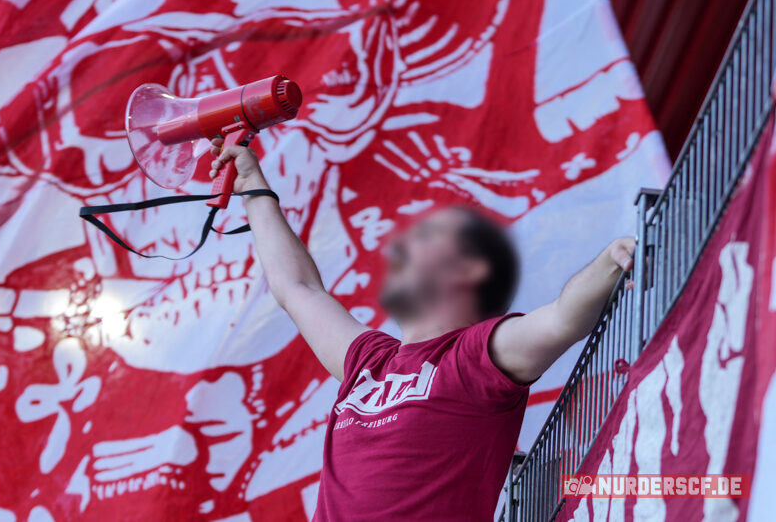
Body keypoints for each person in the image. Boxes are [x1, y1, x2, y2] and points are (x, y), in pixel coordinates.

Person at [209, 140, 637, 521]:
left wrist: (609, 261)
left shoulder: (475, 358)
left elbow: (563, 318)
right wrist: (252, 183)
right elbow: (296, 287)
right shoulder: (368, 360)